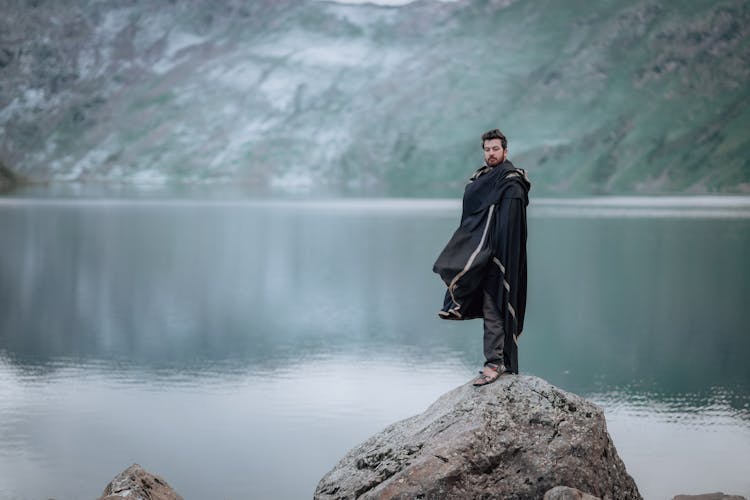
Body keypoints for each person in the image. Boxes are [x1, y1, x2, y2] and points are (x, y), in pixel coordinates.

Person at [433, 129, 531, 386]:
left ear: (505, 151)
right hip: (480, 253)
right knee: (491, 308)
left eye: (495, 149)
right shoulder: (481, 179)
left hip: (500, 256)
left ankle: (495, 364)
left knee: (495, 308)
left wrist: (498, 258)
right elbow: (473, 219)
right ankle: (499, 362)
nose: (491, 153)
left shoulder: (511, 182)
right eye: (487, 149)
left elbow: (510, 227)